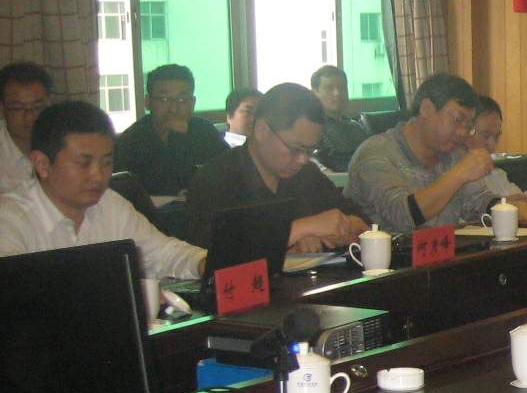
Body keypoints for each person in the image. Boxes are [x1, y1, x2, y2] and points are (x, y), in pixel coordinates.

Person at [0, 100, 204, 277]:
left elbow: (162, 253)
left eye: (106, 162)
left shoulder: (110, 204)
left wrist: (205, 263)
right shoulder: (10, 219)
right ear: (42, 164)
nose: (98, 175)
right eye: (83, 163)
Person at [346, 73, 527, 232]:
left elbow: (478, 201)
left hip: (445, 259)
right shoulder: (376, 154)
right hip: (390, 264)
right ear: (426, 109)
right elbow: (403, 216)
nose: (463, 132)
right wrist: (458, 175)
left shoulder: (452, 152)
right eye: (458, 120)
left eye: (469, 125)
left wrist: (508, 207)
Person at [184, 83, 368, 251]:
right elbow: (218, 255)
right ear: (262, 130)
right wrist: (302, 229)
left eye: (310, 150)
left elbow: (364, 225)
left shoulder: (307, 174)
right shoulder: (214, 180)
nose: (303, 159)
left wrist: (340, 227)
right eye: (295, 149)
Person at [114, 63, 227, 195]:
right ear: (148, 102)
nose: (173, 109)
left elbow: (229, 170)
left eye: (182, 100)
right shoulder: (131, 141)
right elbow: (169, 184)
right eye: (164, 99)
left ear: (193, 103)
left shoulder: (205, 131)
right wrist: (178, 138)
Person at [0, 61, 51, 194]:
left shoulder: (67, 141)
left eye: (37, 107)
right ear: (2, 108)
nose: (29, 116)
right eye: (18, 108)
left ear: (49, 103)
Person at [310, 65, 369, 173]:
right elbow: (306, 158)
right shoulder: (312, 128)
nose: (337, 93)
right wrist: (325, 172)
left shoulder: (357, 127)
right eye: (329, 88)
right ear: (314, 93)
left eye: (342, 88)